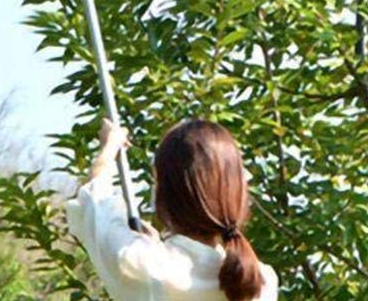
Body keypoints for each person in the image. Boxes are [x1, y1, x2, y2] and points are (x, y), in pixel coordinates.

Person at [66, 117, 278, 301]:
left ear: (164, 195)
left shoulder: (145, 264)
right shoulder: (263, 282)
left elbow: (95, 199)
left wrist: (109, 148)